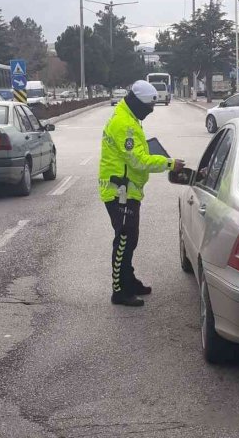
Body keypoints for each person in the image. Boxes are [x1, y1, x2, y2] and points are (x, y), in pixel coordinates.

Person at [99, 80, 185, 307]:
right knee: (124, 239)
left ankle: (129, 280)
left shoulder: (129, 118)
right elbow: (137, 160)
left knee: (130, 239)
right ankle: (119, 290)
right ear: (137, 102)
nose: (151, 111)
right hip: (119, 190)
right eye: (149, 107)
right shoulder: (124, 124)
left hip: (128, 189)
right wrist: (169, 163)